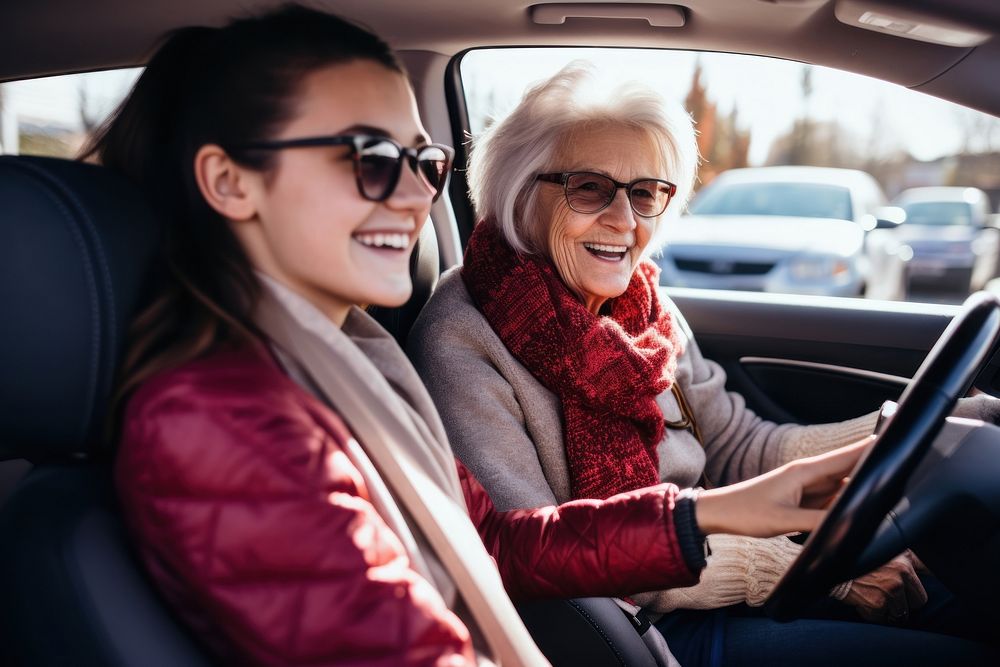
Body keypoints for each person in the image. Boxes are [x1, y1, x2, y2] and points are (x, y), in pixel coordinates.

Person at [87, 6, 875, 666]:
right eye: (368, 158)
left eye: (421, 161)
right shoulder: (221, 426)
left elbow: (499, 541)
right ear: (230, 182)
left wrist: (717, 512)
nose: (411, 197)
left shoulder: (352, 362)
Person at [407, 63, 1000, 666]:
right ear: (519, 190)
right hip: (647, 629)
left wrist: (932, 429)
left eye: (645, 192)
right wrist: (801, 566)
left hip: (721, 566)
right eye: (589, 187)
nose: (624, 219)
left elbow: (741, 445)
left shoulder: (645, 309)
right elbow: (546, 555)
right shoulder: (462, 338)